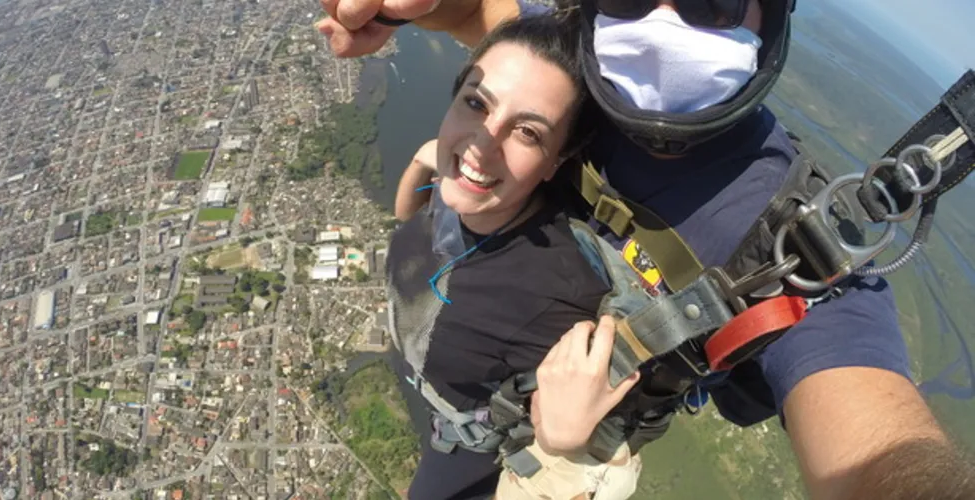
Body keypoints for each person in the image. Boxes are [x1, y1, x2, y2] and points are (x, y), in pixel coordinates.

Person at [320, 1, 975, 499]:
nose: (659, 20)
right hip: (451, 393)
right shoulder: (581, 55)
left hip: (518, 455)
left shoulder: (785, 241)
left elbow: (878, 454)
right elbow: (493, 25)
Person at [383, 13, 642, 499]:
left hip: (466, 447)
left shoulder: (557, 297)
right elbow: (407, 224)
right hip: (433, 395)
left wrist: (567, 445)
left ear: (556, 162)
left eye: (528, 133)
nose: (483, 144)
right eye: (477, 104)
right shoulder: (463, 188)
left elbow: (600, 439)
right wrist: (423, 160)